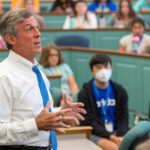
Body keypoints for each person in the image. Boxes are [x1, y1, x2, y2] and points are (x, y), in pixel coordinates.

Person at [0, 8, 86, 150]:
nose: (38, 34)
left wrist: (58, 112)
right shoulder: (4, 76)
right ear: (11, 38)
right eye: (29, 29)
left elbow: (32, 112)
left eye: (37, 28)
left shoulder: (36, 70)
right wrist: (35, 125)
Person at [78, 53, 128, 150]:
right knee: (114, 148)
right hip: (94, 133)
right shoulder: (84, 94)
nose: (103, 70)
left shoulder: (120, 91)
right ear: (92, 70)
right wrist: (111, 137)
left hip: (116, 132)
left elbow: (123, 118)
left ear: (111, 68)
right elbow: (89, 122)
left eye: (106, 66)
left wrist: (120, 136)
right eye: (98, 67)